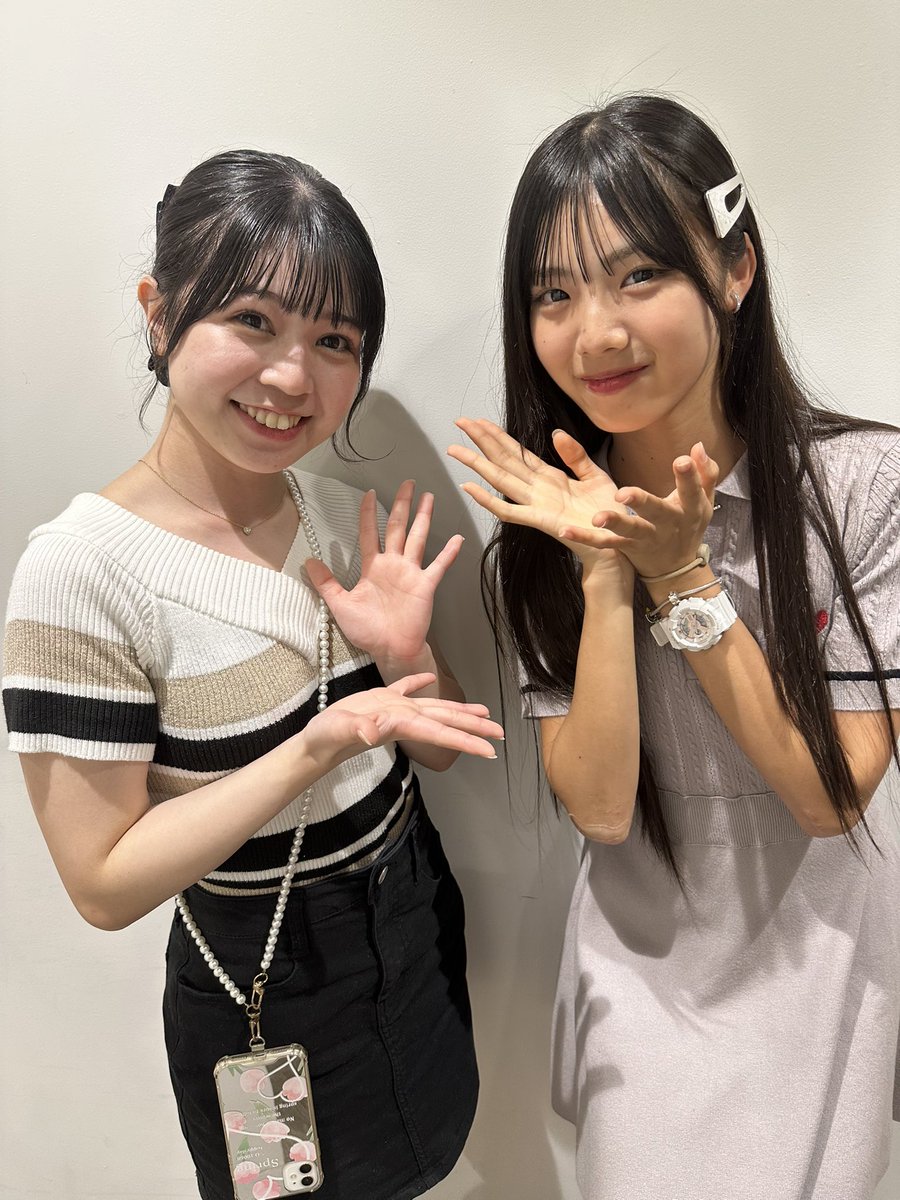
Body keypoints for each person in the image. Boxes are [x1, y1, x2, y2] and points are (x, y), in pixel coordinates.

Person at [2, 150, 502, 1200]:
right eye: (253, 322)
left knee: (429, 1158)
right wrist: (314, 747)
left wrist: (406, 657)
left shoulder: (334, 514)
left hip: (411, 921)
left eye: (335, 342)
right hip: (264, 984)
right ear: (160, 314)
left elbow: (440, 751)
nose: (291, 378)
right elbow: (103, 883)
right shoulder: (79, 574)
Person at [447, 95, 900, 1200]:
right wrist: (605, 570)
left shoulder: (864, 487)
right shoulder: (543, 538)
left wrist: (682, 578)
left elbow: (830, 796)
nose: (595, 333)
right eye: (554, 293)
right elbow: (602, 812)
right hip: (643, 980)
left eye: (639, 275)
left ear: (734, 269)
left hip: (824, 958)